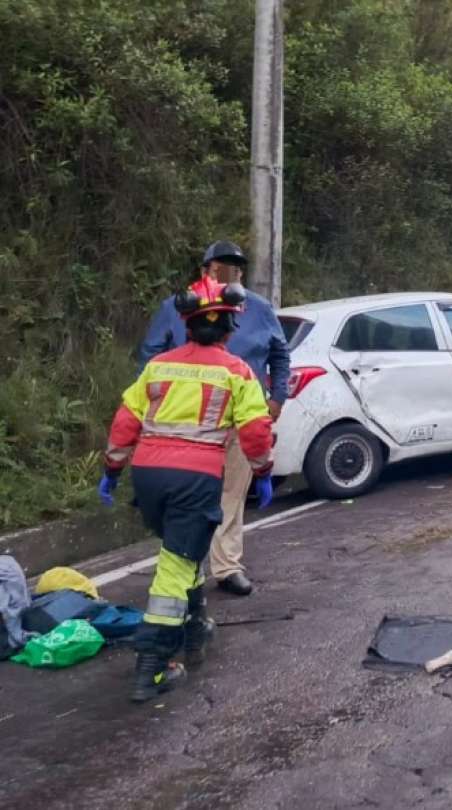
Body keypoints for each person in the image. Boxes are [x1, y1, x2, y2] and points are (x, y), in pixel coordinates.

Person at [100, 277, 275, 702]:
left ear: (185, 325)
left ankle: (195, 627)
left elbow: (126, 423)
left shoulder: (158, 367)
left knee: (184, 548)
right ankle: (152, 667)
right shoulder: (237, 372)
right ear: (231, 329)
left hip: (149, 476)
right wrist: (263, 471)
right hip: (195, 478)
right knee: (176, 566)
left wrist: (112, 469)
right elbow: (255, 430)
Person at [139, 241, 290, 596]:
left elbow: (280, 354)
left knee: (232, 495)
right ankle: (185, 564)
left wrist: (277, 397)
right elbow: (150, 357)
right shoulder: (178, 308)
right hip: (189, 423)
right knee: (187, 494)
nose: (228, 272)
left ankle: (227, 566)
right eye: (221, 266)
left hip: (241, 419)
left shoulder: (258, 309)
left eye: (236, 268)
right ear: (205, 269)